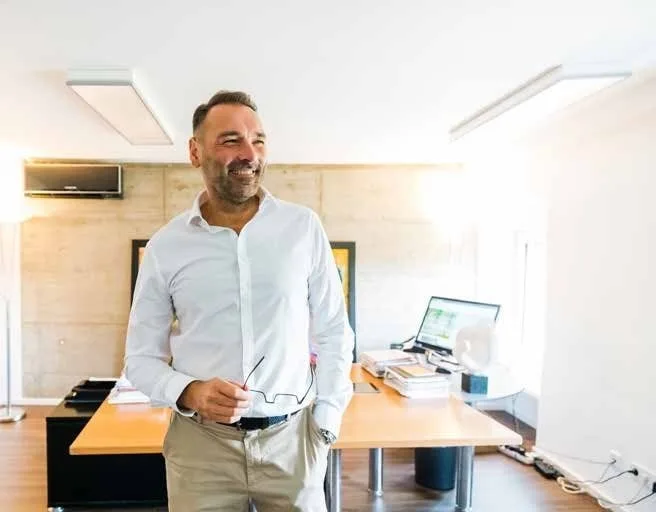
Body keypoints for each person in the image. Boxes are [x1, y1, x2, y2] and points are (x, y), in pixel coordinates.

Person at [124, 90, 354, 511]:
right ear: (195, 152)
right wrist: (189, 391)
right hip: (201, 450)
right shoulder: (165, 247)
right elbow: (139, 359)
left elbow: (334, 329)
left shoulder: (302, 228)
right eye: (231, 140)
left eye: (258, 140)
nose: (249, 153)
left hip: (294, 443)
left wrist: (327, 419)